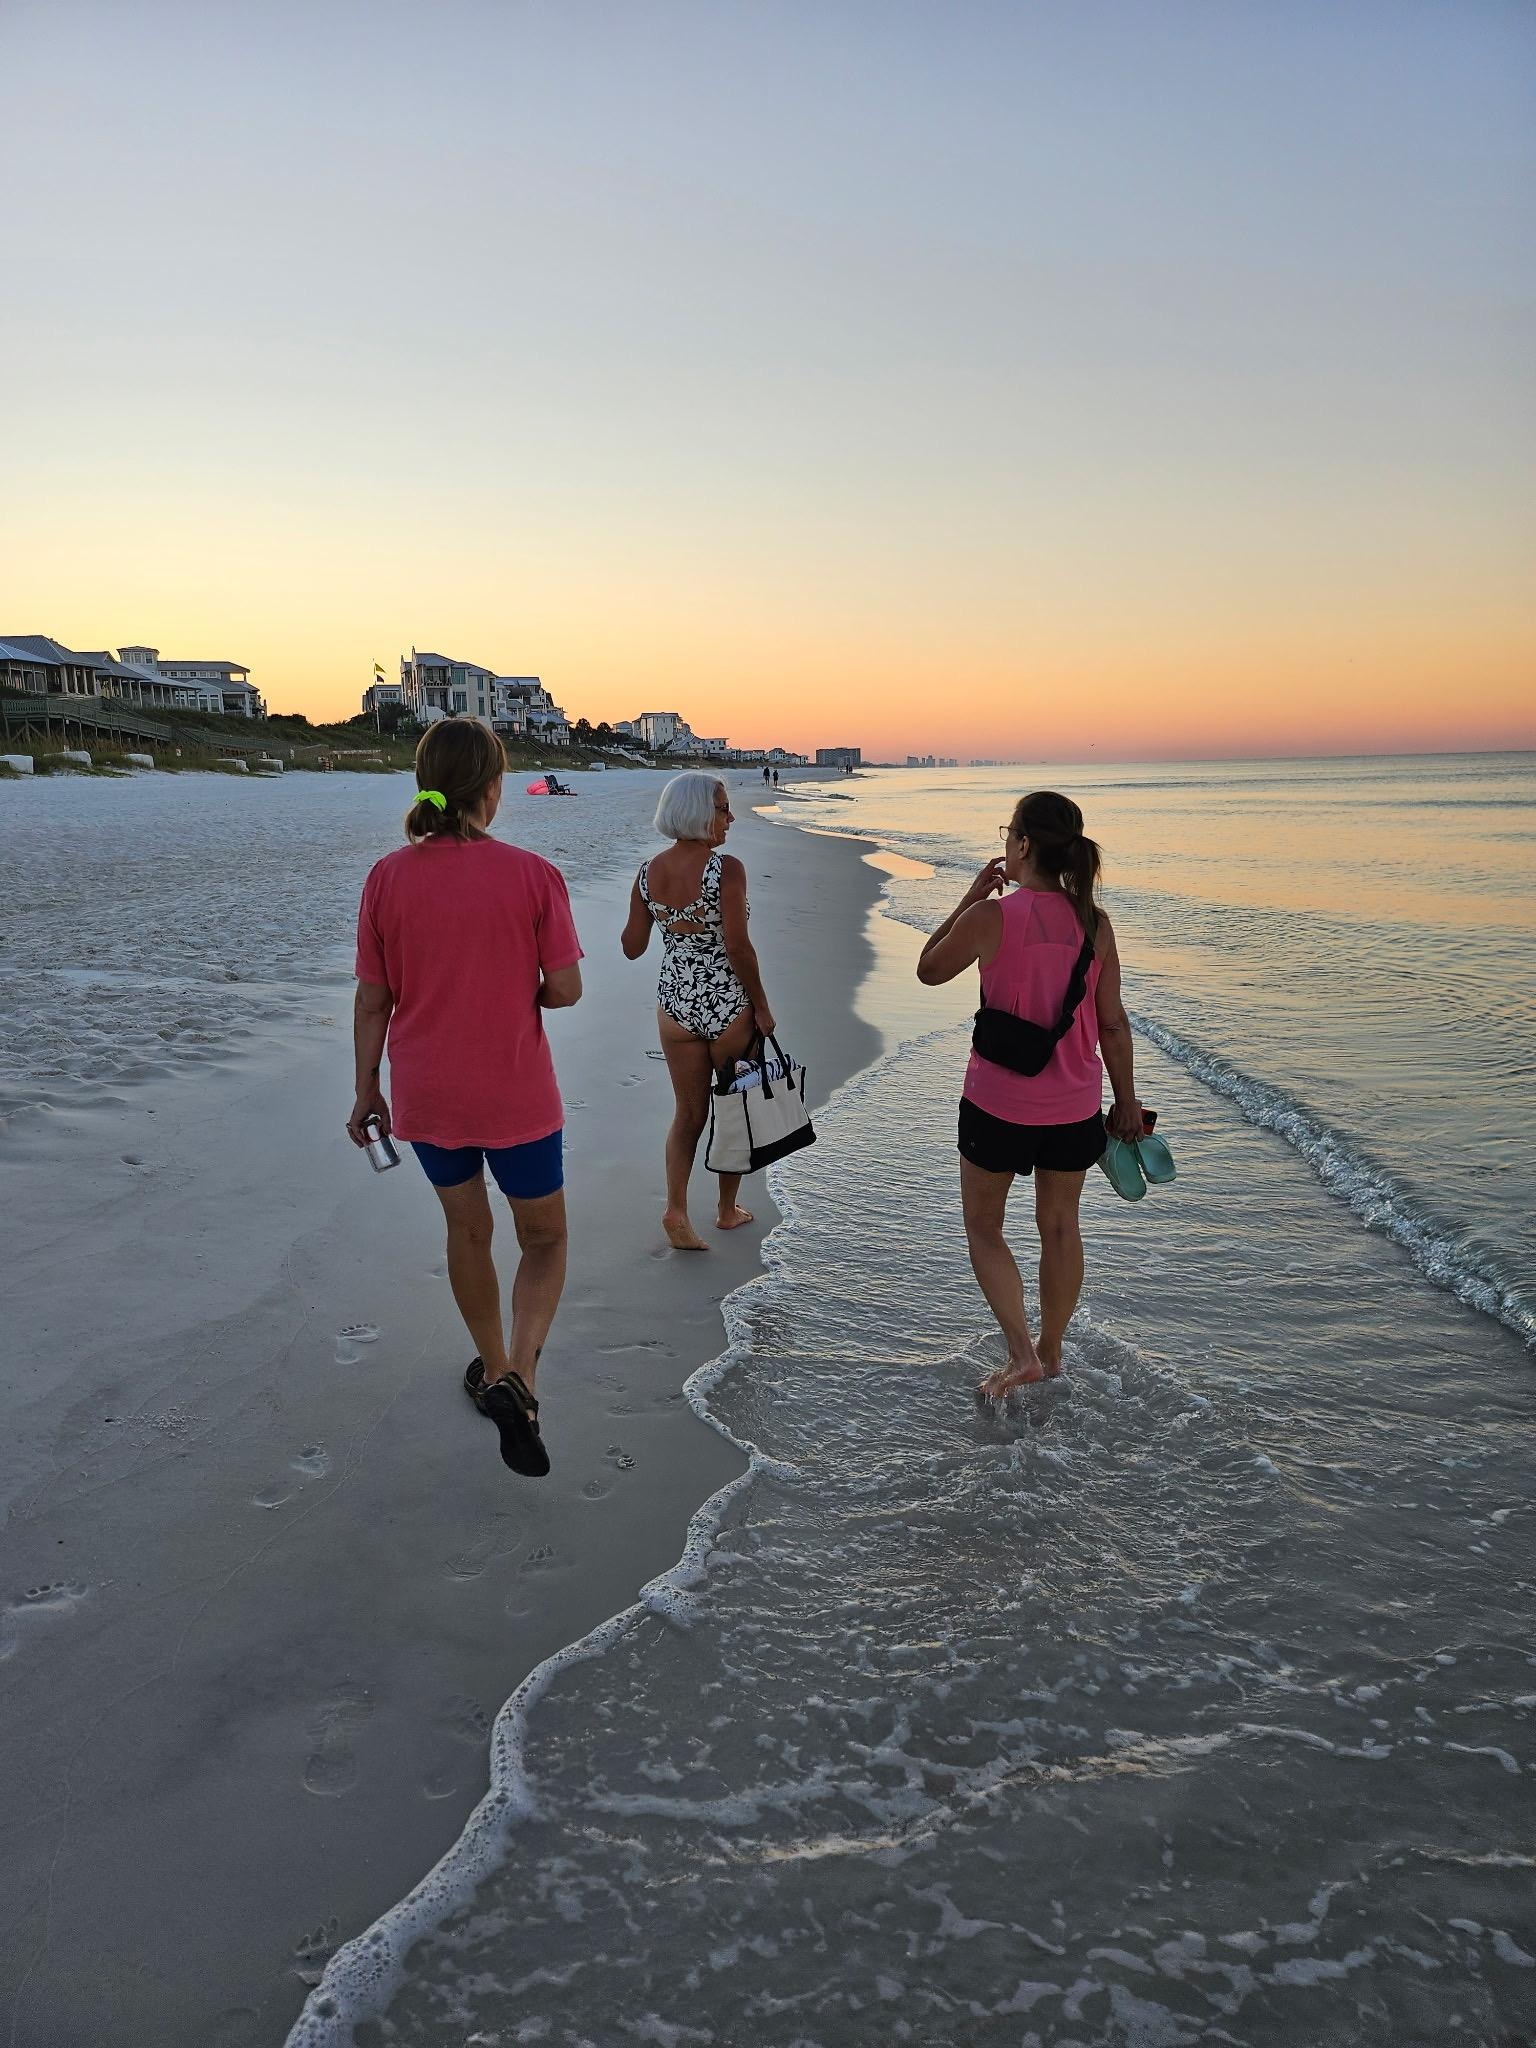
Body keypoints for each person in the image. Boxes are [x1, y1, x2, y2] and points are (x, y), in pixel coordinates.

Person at [348, 718, 584, 1477]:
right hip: (515, 1091)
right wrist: (516, 988)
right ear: (493, 787)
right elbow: (566, 989)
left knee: (467, 1229)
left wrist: (366, 1088)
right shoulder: (533, 875)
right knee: (543, 1238)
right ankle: (524, 1375)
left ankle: (493, 1368)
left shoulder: (387, 877)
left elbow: (373, 1000)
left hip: (428, 1093)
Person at [916, 790, 1142, 1397]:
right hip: (1073, 1106)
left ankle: (1021, 1353)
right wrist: (1125, 1100)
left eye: (1008, 835)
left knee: (984, 1225)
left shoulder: (990, 918)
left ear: (1022, 844)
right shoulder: (1095, 924)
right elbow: (1113, 1022)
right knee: (1061, 1225)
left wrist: (970, 899)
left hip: (997, 1105)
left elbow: (929, 969)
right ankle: (1052, 1348)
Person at [622, 771, 774, 1250]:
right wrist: (762, 1006)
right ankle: (727, 1210)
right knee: (734, 1108)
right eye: (723, 808)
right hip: (727, 1005)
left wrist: (666, 914)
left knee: (688, 1113)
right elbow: (738, 946)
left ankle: (676, 1209)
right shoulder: (726, 868)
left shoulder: (647, 872)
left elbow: (631, 947)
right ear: (699, 812)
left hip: (676, 1005)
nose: (731, 818)